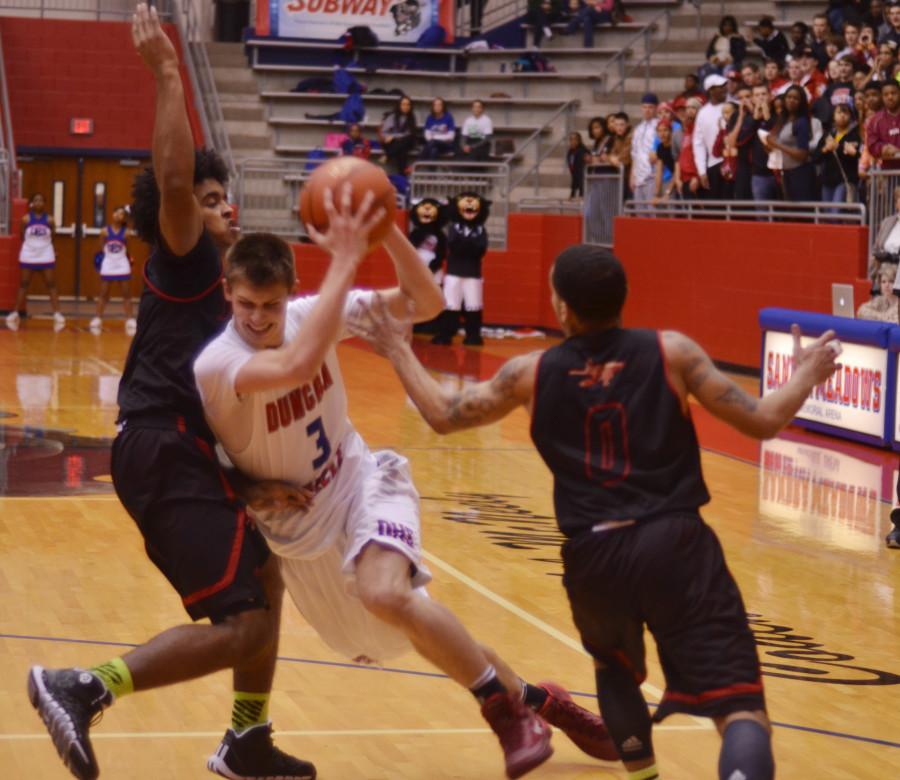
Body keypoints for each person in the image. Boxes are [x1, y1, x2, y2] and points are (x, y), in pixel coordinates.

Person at [349, 244, 842, 780]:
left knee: (615, 672)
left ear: (561, 307)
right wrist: (806, 376)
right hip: (674, 541)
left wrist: (398, 348)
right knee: (738, 705)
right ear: (624, 297)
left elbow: (443, 415)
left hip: (594, 555)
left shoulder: (528, 374)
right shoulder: (672, 351)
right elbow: (764, 420)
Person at [193, 218, 617, 779]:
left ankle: (507, 715)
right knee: (407, 632)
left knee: (386, 593)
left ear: (290, 293)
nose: (257, 318)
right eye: (246, 303)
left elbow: (427, 300)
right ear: (226, 291)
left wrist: (386, 229)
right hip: (300, 538)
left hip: (362, 479)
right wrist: (247, 488)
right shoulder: (216, 362)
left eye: (270, 305)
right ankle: (540, 701)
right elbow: (289, 369)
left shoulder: (305, 317)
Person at [26, 7, 316, 780]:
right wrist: (164, 73)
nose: (222, 205)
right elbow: (176, 177)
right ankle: (82, 688)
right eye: (207, 195)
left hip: (184, 452)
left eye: (227, 195)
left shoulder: (233, 300)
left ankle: (247, 738)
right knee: (241, 621)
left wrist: (248, 482)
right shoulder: (184, 261)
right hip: (157, 448)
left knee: (267, 581)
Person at [7, 192, 65, 333]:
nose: (38, 202)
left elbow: (53, 236)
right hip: (29, 253)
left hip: (45, 253)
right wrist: (32, 246)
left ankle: (57, 313)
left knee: (51, 283)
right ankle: (15, 312)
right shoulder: (25, 219)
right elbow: (22, 236)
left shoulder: (50, 220)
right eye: (36, 200)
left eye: (41, 200)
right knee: (24, 283)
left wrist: (46, 247)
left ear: (44, 203)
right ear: (32, 203)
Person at [764, 84, 817, 201]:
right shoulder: (782, 119)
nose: (791, 100)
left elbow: (803, 155)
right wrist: (768, 144)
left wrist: (777, 145)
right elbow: (773, 147)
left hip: (800, 172)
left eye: (795, 98)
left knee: (801, 214)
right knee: (788, 213)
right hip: (784, 172)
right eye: (788, 97)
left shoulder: (801, 122)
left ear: (801, 102)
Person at [90, 205, 136, 335]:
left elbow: (128, 249)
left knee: (126, 294)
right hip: (108, 264)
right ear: (112, 214)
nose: (117, 215)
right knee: (103, 294)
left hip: (122, 264)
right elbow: (102, 247)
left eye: (121, 214)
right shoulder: (104, 231)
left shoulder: (127, 233)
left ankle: (130, 319)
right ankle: (98, 318)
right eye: (116, 212)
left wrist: (127, 262)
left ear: (124, 218)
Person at [815, 103, 861, 203]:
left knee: (836, 210)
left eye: (846, 113)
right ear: (833, 116)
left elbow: (856, 156)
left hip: (845, 180)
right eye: (839, 112)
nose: (842, 115)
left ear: (851, 116)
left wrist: (838, 147)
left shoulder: (854, 135)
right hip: (828, 181)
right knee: (828, 214)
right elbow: (815, 157)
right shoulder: (828, 135)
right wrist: (825, 149)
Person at [693, 74, 727, 198]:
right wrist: (702, 171)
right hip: (713, 165)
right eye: (720, 86)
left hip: (734, 163)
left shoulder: (733, 105)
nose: (724, 88)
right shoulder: (702, 113)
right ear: (711, 90)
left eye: (724, 85)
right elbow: (698, 144)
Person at [630, 93, 660, 203]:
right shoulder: (638, 129)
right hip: (638, 177)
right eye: (645, 107)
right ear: (641, 108)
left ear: (656, 108)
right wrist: (632, 176)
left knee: (652, 213)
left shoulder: (659, 126)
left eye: (651, 107)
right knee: (640, 214)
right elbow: (635, 155)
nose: (647, 110)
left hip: (652, 176)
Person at [379, 95, 417, 174]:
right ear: (399, 105)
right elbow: (384, 131)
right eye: (403, 104)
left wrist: (394, 136)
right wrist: (388, 137)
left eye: (408, 104)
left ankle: (388, 155)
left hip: (406, 141)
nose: (405, 107)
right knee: (401, 149)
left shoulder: (411, 118)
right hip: (395, 144)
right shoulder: (392, 116)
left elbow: (409, 134)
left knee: (406, 140)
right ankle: (403, 173)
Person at [866, 79, 900, 168]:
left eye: (893, 93)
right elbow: (871, 144)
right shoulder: (875, 120)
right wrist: (883, 148)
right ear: (882, 97)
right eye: (886, 94)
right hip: (888, 173)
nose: (890, 97)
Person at [566, 131, 590, 197]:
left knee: (581, 195)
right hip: (575, 176)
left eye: (575, 139)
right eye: (571, 139)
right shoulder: (570, 151)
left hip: (583, 178)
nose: (573, 141)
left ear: (579, 140)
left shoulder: (583, 150)